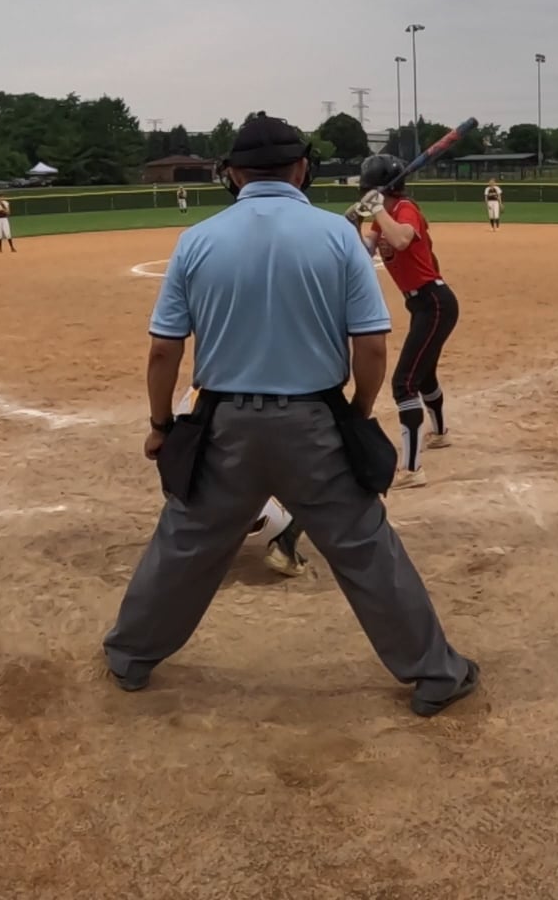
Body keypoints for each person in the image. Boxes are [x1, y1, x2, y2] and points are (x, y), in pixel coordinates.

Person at [104, 113, 479, 717]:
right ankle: (436, 673)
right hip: (314, 425)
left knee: (184, 544)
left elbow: (163, 351)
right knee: (366, 550)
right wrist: (356, 415)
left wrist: (160, 426)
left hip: (222, 428)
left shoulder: (196, 240)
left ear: (233, 175)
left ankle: (130, 655)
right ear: (302, 168)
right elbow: (371, 346)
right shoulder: (337, 236)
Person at [356, 153, 458, 489]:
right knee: (423, 373)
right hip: (421, 305)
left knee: (404, 383)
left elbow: (401, 239)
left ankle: (412, 470)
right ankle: (440, 433)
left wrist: (377, 209)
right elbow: (363, 254)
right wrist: (354, 224)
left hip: (435, 302)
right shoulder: (382, 217)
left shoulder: (404, 208)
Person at [177, 386, 307, 577]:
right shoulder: (288, 387)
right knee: (327, 463)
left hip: (195, 503)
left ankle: (199, 541)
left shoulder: (202, 383)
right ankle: (286, 542)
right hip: (260, 515)